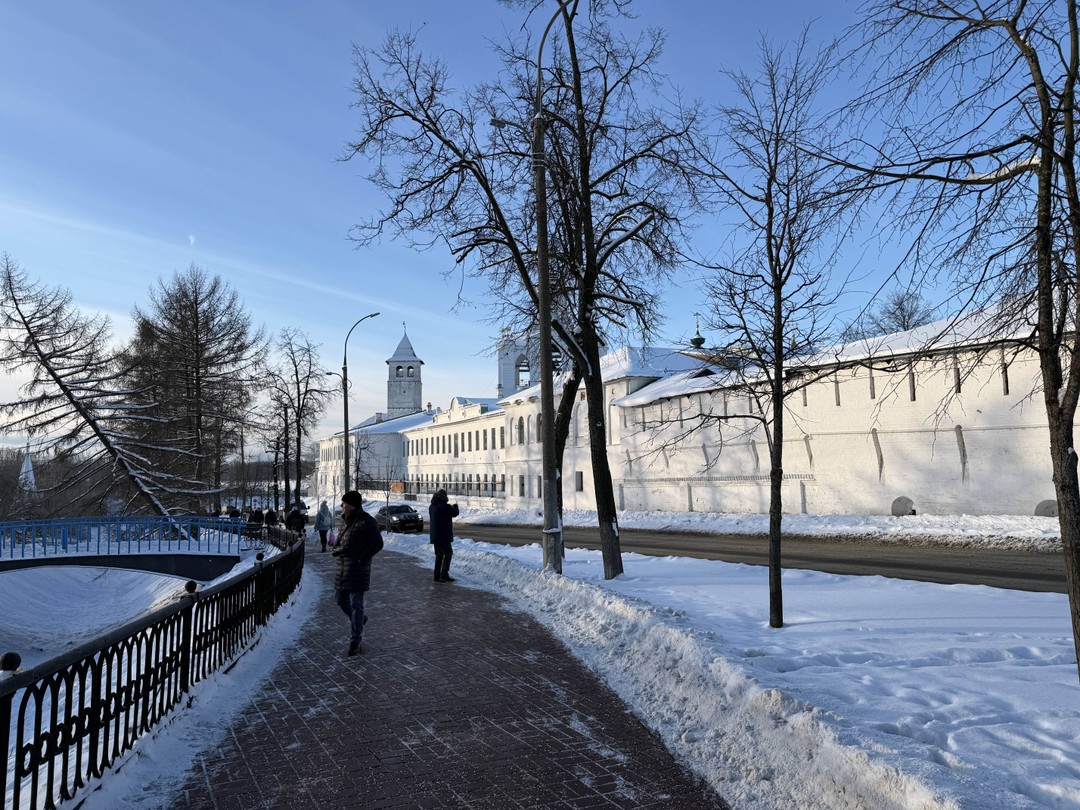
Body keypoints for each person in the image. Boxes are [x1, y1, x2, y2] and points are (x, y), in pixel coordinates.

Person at [332, 490, 383, 656]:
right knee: (340, 600)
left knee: (356, 603)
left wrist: (362, 558)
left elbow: (377, 543)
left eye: (344, 503)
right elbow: (340, 543)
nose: (341, 506)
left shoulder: (367, 521)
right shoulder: (346, 521)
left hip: (358, 569)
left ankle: (355, 639)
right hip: (343, 569)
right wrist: (338, 550)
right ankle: (360, 620)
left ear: (352, 505)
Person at [428, 488, 459, 583]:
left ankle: (436, 576)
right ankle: (444, 574)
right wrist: (455, 506)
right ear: (444, 497)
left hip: (435, 536)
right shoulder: (444, 507)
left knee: (439, 555)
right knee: (448, 553)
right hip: (443, 536)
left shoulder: (432, 507)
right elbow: (454, 513)